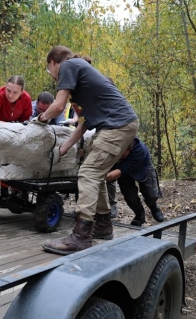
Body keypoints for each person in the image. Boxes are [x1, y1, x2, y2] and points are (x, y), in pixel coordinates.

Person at [36, 45, 139, 255]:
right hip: (119, 124)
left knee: (88, 174)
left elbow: (57, 106)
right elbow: (83, 124)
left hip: (116, 126)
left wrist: (39, 119)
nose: (52, 74)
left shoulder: (69, 65)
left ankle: (80, 237)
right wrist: (63, 148)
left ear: (54, 62)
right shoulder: (81, 80)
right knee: (96, 175)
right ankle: (103, 225)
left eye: (49, 69)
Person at [105, 137, 165, 226]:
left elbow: (125, 168)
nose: (120, 157)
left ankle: (153, 206)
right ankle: (139, 214)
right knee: (129, 195)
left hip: (142, 165)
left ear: (130, 149)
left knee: (151, 193)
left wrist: (105, 176)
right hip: (122, 170)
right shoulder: (113, 149)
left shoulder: (140, 149)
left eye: (122, 155)